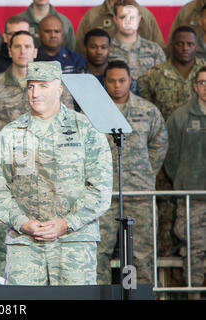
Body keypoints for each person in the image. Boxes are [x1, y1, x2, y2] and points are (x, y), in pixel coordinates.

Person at [0, 60, 113, 285]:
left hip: (74, 243)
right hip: (25, 244)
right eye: (30, 86)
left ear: (59, 88)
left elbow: (100, 189)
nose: (35, 93)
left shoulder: (86, 130)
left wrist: (67, 222)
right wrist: (22, 222)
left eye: (43, 86)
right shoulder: (11, 133)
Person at [98, 60, 168, 285]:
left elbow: (160, 144)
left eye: (122, 80)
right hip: (103, 194)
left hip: (139, 193)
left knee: (141, 255)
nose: (117, 85)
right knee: (99, 252)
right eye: (111, 81)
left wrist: (145, 172)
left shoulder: (147, 110)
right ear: (104, 82)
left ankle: (141, 296)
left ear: (130, 81)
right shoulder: (95, 111)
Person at [138, 26, 205, 258]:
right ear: (170, 45)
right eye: (179, 43)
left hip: (196, 162)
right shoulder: (153, 75)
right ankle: (168, 284)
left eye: (190, 44)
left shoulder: (204, 73)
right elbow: (145, 116)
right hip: (165, 160)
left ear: (197, 45)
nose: (185, 48)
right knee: (166, 220)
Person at [0, 30, 37, 276]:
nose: (23, 51)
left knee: (42, 240)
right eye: (17, 46)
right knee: (6, 241)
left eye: (28, 46)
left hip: (43, 175)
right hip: (7, 175)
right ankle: (5, 293)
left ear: (35, 52)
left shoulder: (52, 87)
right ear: (9, 51)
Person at [164, 66, 206, 296]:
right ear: (195, 86)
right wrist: (183, 179)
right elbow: (169, 156)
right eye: (202, 82)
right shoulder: (181, 117)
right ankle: (194, 294)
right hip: (193, 199)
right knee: (194, 251)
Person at [75, 0, 164, 55]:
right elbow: (80, 50)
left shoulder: (145, 15)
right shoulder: (92, 16)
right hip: (103, 80)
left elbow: (159, 49)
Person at [108, 1, 165, 80]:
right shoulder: (106, 50)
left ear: (139, 19)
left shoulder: (154, 50)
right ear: (115, 19)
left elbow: (163, 83)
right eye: (123, 17)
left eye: (132, 17)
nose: (128, 22)